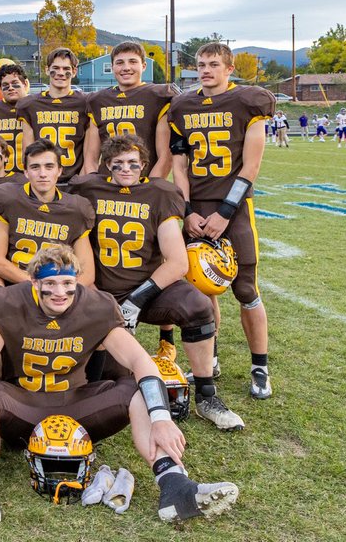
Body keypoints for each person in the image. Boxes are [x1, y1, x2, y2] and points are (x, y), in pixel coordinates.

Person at [0, 246, 239, 524]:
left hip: (79, 405)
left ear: (78, 280)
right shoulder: (8, 302)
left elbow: (139, 360)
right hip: (22, 405)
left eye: (67, 284)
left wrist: (161, 419)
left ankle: (175, 487)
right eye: (49, 284)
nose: (60, 292)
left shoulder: (97, 305)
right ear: (33, 283)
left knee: (135, 391)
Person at [68, 134, 242, 431]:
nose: (126, 169)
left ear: (144, 166)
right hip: (102, 292)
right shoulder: (88, 188)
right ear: (106, 165)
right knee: (113, 381)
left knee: (198, 307)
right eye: (118, 163)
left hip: (147, 291)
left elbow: (177, 262)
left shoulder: (159, 194)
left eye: (133, 163)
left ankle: (207, 395)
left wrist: (137, 300)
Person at [169, 42, 274, 400]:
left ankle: (259, 366)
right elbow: (179, 167)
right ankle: (209, 357)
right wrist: (187, 211)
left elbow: (252, 165)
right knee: (201, 288)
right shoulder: (183, 106)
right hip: (196, 209)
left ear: (229, 69)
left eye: (213, 64)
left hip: (235, 210)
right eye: (200, 64)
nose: (205, 70)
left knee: (245, 290)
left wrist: (225, 213)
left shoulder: (248, 101)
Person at [0, 139, 95, 289]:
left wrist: (63, 292)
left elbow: (88, 272)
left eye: (49, 167)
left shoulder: (77, 208)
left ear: (60, 170)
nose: (42, 174)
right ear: (26, 172)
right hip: (18, 287)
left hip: (60, 294)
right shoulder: (7, 199)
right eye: (35, 167)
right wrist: (38, 286)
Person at [84, 41, 176, 178]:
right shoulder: (98, 100)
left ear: (143, 66)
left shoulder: (157, 96)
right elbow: (91, 157)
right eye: (120, 63)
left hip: (143, 182)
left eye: (132, 61)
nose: (126, 67)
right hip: (107, 183)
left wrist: (150, 187)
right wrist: (95, 182)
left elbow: (165, 156)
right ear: (112, 67)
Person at [19, 48, 91, 181]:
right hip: (43, 179)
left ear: (74, 71)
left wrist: (81, 180)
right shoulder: (31, 105)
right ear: (47, 70)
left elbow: (90, 153)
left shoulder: (85, 103)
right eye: (56, 68)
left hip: (75, 179)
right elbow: (27, 150)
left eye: (66, 69)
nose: (60, 73)